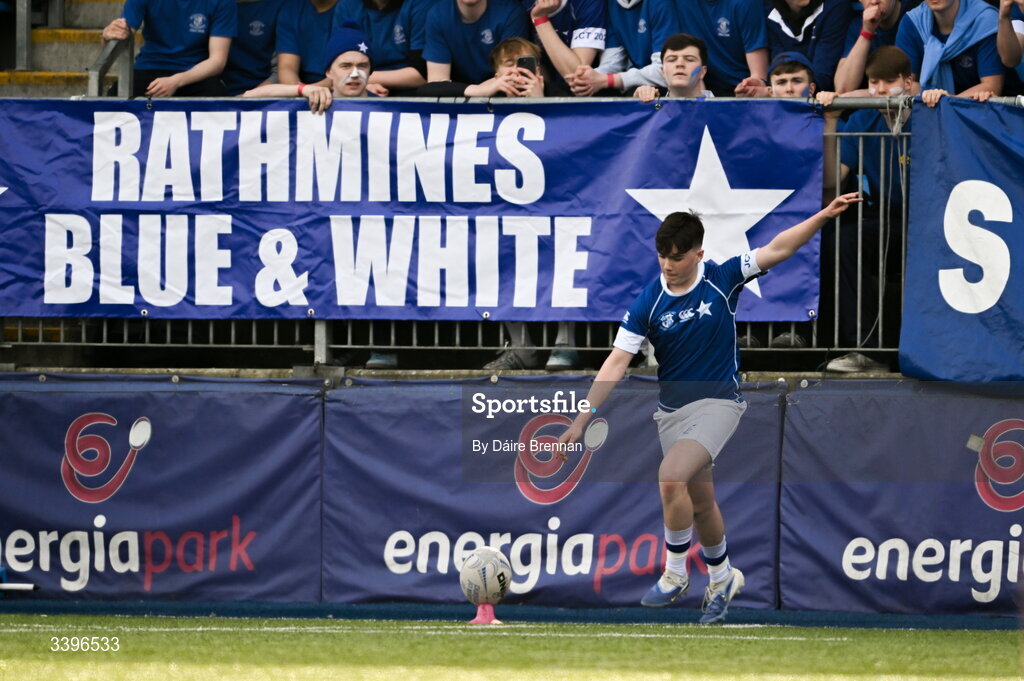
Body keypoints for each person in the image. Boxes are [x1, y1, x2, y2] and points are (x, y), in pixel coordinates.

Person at [557, 194, 861, 623]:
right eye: (662, 255)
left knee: (670, 478)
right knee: (700, 503)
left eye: (678, 257)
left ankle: (676, 572)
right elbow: (616, 363)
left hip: (719, 403)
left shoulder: (722, 278)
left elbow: (780, 247)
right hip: (671, 413)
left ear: (699, 253)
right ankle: (722, 576)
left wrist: (822, 215)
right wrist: (582, 417)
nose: (667, 264)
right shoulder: (647, 302)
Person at [817, 46, 914, 372]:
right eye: (874, 82)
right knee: (843, 239)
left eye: (890, 82)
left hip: (932, 219)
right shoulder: (862, 117)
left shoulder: (931, 114)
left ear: (909, 82)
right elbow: (832, 179)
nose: (881, 91)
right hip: (886, 216)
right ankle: (865, 352)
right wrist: (830, 121)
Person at [101, 0, 237, 96]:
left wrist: (176, 81)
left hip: (193, 72)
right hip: (150, 66)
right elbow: (122, 31)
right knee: (115, 98)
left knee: (216, 96)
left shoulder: (223, 2)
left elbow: (217, 61)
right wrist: (108, 34)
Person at [242, 21, 373, 109]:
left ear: (370, 70)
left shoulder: (386, 105)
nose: (354, 74)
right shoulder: (318, 100)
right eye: (346, 66)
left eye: (362, 66)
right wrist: (302, 89)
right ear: (328, 72)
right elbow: (248, 97)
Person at [569, 0, 680, 96]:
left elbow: (665, 71)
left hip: (664, 86)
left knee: (640, 95)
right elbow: (613, 62)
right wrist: (587, 77)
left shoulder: (660, 3)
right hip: (636, 79)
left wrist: (608, 80)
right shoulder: (611, 4)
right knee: (581, 89)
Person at [895, 0, 1003, 97]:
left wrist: (946, 102)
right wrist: (930, 96)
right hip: (932, 111)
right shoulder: (913, 22)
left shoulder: (984, 19)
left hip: (983, 113)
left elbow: (991, 87)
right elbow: (903, 83)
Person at [333, 0, 431, 96]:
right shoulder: (347, 5)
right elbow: (339, 66)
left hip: (408, 90)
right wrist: (363, 85)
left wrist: (362, 81)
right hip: (360, 82)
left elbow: (422, 75)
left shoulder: (420, 4)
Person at [423, 0, 530, 85]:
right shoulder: (438, 14)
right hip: (457, 98)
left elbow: (512, 77)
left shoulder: (510, 12)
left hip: (500, 96)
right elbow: (437, 83)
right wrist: (475, 91)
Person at [677, 0, 770, 97]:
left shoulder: (746, 3)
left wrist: (750, 89)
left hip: (740, 90)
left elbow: (758, 77)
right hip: (701, 85)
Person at [762, 0, 852, 92]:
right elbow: (779, 69)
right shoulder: (766, 9)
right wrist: (763, 87)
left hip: (824, 98)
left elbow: (823, 74)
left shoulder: (835, 5)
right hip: (787, 97)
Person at [524, 0, 606, 95]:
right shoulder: (522, 5)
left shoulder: (587, 3)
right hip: (539, 91)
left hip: (584, 97)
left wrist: (540, 19)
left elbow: (576, 75)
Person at [833, 0, 913, 93]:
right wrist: (867, 32)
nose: (874, 1)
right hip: (873, 106)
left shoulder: (915, 16)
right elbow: (843, 88)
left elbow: (910, 86)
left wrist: (851, 97)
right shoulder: (858, 24)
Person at [223, 0, 289, 95]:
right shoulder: (215, 5)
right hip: (219, 94)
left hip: (269, 96)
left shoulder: (283, 6)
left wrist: (249, 98)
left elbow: (282, 71)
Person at [276, 0, 341, 86]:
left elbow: (347, 70)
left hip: (343, 89)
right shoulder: (291, 9)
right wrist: (302, 91)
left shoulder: (350, 7)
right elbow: (287, 67)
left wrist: (308, 91)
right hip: (300, 90)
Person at [633, 33, 714, 100]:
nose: (680, 64)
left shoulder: (724, 112)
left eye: (689, 59)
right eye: (671, 60)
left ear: (702, 72)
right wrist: (637, 107)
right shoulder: (653, 108)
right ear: (663, 71)